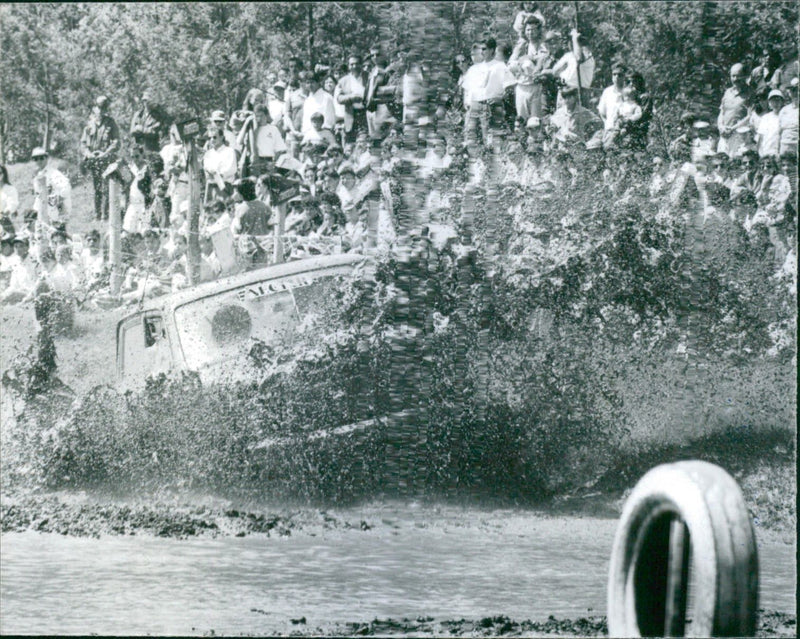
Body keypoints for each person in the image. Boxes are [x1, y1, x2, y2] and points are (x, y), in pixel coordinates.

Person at [79, 95, 120, 221]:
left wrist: (106, 153)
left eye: (104, 108)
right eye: (99, 107)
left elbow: (116, 142)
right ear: (95, 108)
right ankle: (97, 215)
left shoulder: (111, 123)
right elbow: (83, 143)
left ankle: (106, 215)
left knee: (107, 188)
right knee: (97, 188)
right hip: (94, 161)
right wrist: (88, 154)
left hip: (106, 160)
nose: (101, 110)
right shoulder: (89, 125)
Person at [509, 15, 548, 122]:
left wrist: (528, 59)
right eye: (528, 30)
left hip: (535, 86)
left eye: (533, 30)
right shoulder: (522, 46)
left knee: (535, 120)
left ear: (538, 31)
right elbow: (511, 63)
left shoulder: (542, 46)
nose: (530, 33)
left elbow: (542, 60)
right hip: (521, 85)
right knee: (522, 117)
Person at [550, 29, 595, 107]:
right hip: (564, 89)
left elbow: (578, 58)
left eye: (574, 41)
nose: (570, 43)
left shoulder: (587, 56)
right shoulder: (568, 55)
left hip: (578, 91)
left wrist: (575, 38)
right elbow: (555, 71)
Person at [717, 63, 752, 158]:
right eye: (733, 76)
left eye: (739, 76)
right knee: (721, 162)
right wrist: (721, 127)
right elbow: (721, 112)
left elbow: (750, 116)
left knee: (735, 164)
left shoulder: (750, 93)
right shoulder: (727, 92)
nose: (735, 79)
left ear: (745, 76)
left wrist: (732, 129)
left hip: (739, 136)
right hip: (724, 134)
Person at [31, 147, 72, 227]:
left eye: (41, 158)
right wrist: (35, 210)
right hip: (42, 211)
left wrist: (58, 203)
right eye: (36, 159)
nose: (39, 161)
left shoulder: (54, 174)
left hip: (54, 211)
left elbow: (66, 189)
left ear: (47, 158)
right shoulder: (37, 176)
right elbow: (38, 196)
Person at [334, 55, 367, 144]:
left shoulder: (369, 77)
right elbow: (339, 98)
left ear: (361, 64)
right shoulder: (343, 80)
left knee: (362, 143)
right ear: (348, 66)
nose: (354, 66)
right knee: (349, 146)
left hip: (366, 115)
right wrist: (351, 97)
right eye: (352, 64)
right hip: (351, 115)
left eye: (357, 64)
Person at [203, 126, 238, 203]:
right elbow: (206, 169)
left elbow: (232, 169)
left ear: (222, 137)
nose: (212, 140)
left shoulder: (229, 151)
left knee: (226, 211)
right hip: (211, 187)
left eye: (215, 137)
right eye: (210, 138)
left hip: (224, 187)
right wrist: (210, 174)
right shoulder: (208, 153)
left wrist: (218, 175)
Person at [1, 236, 39, 304]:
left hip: (32, 294)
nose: (18, 249)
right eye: (16, 246)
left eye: (21, 246)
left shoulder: (35, 262)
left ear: (27, 247)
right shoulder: (16, 264)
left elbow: (38, 285)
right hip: (20, 294)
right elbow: (13, 285)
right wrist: (3, 295)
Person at [252, 104, 287, 175]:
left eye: (261, 116)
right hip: (256, 161)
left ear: (266, 115)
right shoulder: (253, 130)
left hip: (268, 161)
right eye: (257, 116)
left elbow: (280, 149)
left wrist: (273, 163)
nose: (259, 119)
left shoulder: (273, 129)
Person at [301, 71, 337, 137]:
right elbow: (305, 121)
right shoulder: (307, 100)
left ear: (318, 83)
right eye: (308, 83)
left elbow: (329, 121)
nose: (310, 85)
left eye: (312, 82)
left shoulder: (327, 97)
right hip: (308, 136)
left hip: (323, 136)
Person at [597, 62, 626, 134]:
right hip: (610, 130)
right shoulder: (607, 92)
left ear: (624, 76)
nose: (617, 77)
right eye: (614, 74)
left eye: (620, 75)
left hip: (625, 131)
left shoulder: (628, 92)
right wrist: (607, 123)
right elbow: (602, 112)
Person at [756, 89, 784, 157]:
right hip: (767, 153)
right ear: (769, 103)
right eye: (772, 101)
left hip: (780, 154)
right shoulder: (765, 118)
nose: (775, 103)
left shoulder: (785, 116)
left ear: (782, 102)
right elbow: (760, 138)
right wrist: (760, 153)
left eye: (777, 100)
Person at [778, 78, 798, 156]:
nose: (795, 93)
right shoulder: (784, 110)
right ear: (789, 93)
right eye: (792, 90)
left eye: (797, 90)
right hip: (785, 145)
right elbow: (779, 132)